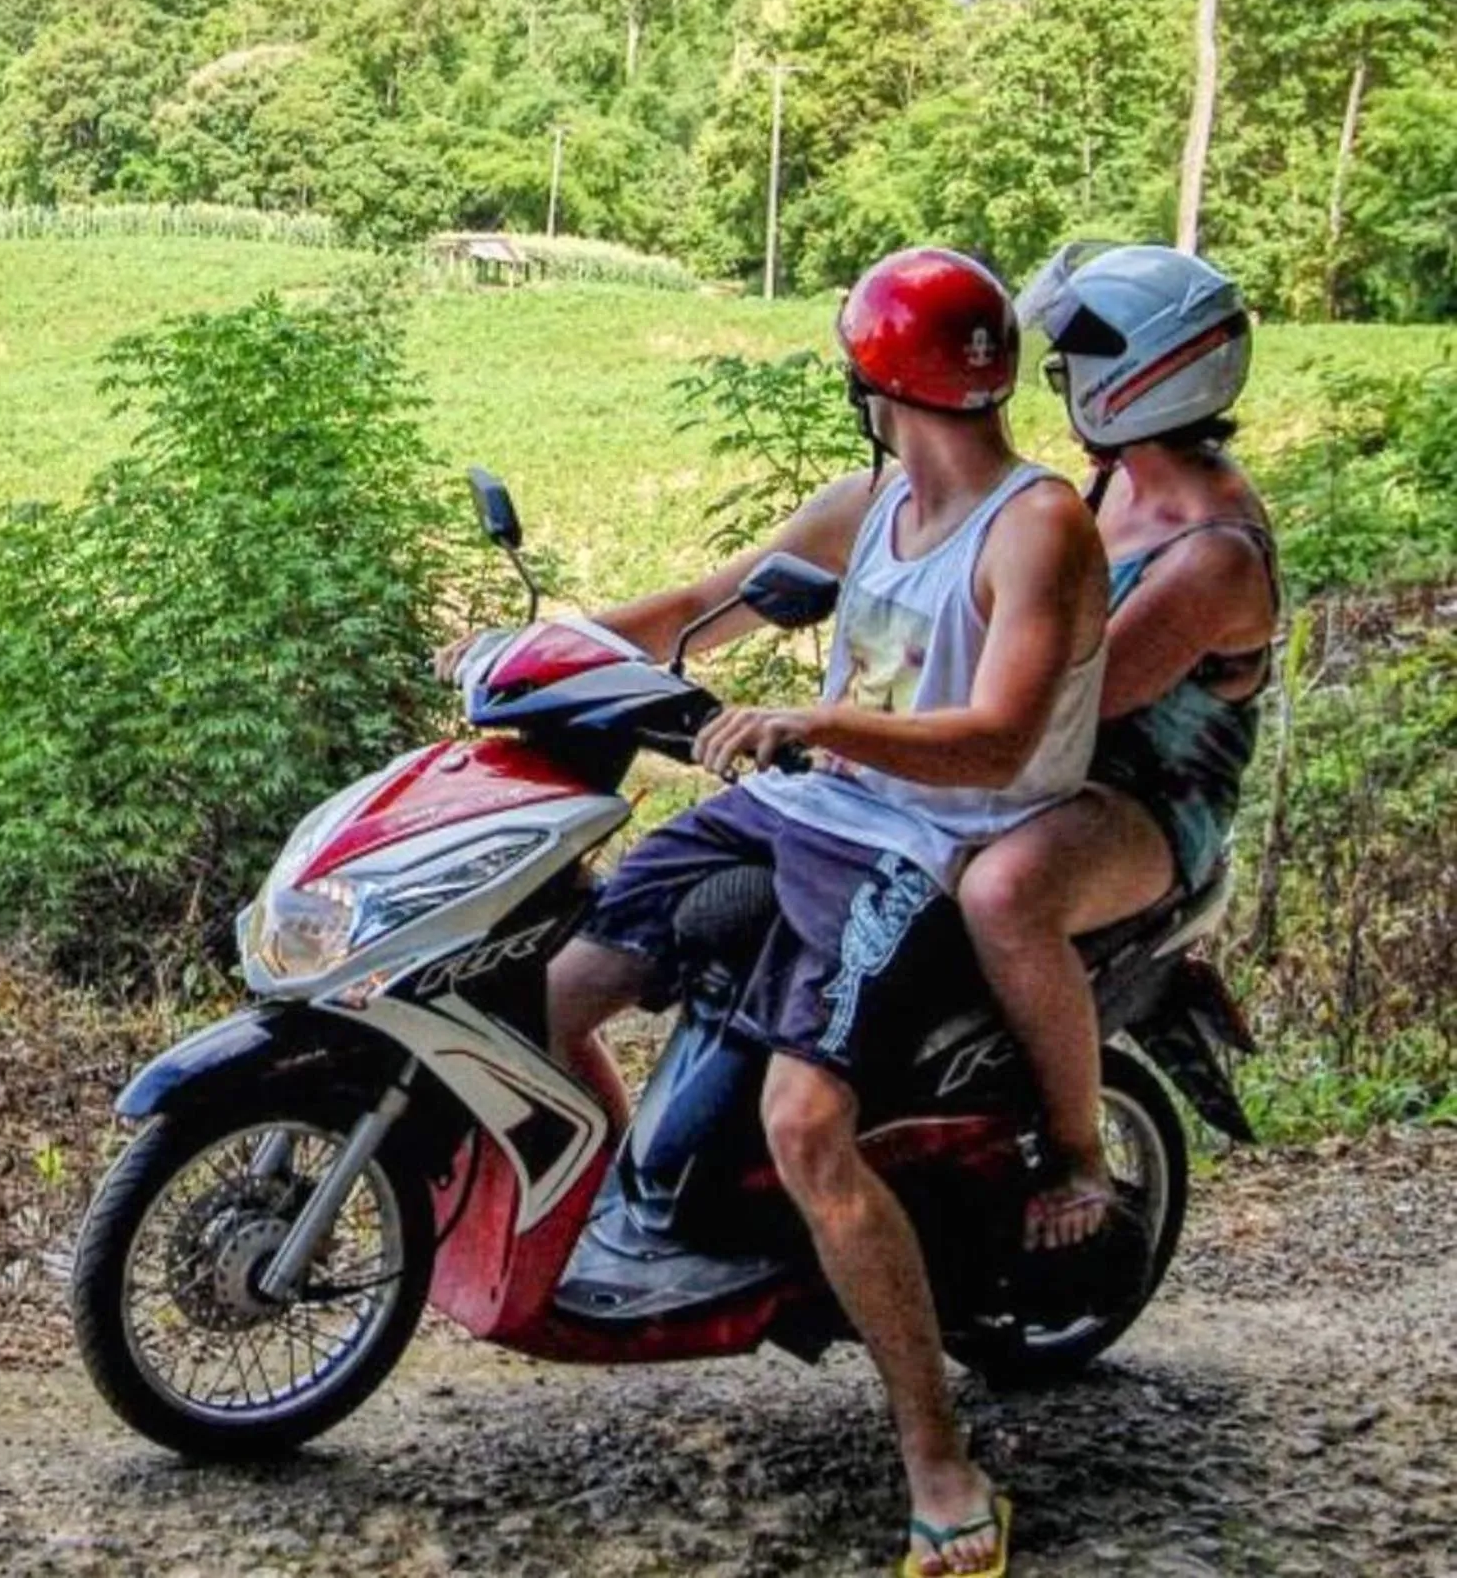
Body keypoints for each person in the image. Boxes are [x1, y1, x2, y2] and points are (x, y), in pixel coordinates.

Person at [443, 247, 1109, 1578]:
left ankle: (937, 1455)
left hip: (926, 843)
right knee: (548, 998)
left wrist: (816, 722)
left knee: (806, 1125)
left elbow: (999, 740)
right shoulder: (865, 504)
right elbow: (699, 611)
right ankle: (632, 1218)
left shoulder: (1039, 526)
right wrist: (528, 658)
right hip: (798, 809)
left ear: (872, 379)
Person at [963, 244, 1277, 1254]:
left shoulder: (1209, 554)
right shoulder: (1110, 482)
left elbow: (1074, 704)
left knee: (1003, 895)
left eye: (1077, 360)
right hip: (1059, 759)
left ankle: (1076, 1149)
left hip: (1145, 798)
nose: (1062, 378)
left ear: (1142, 373)